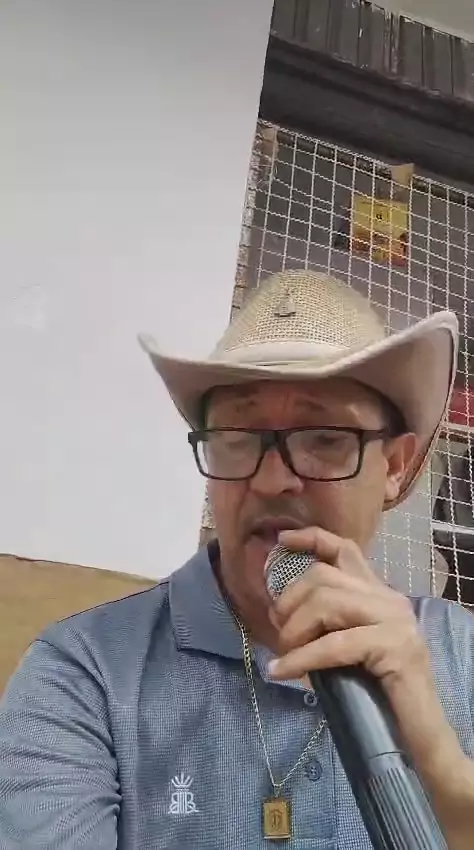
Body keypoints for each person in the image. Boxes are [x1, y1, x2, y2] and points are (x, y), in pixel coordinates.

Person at [0, 269, 473, 850]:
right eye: (237, 436)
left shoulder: (463, 653)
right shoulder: (84, 674)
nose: (272, 480)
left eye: (325, 438)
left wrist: (441, 765)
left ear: (395, 466)